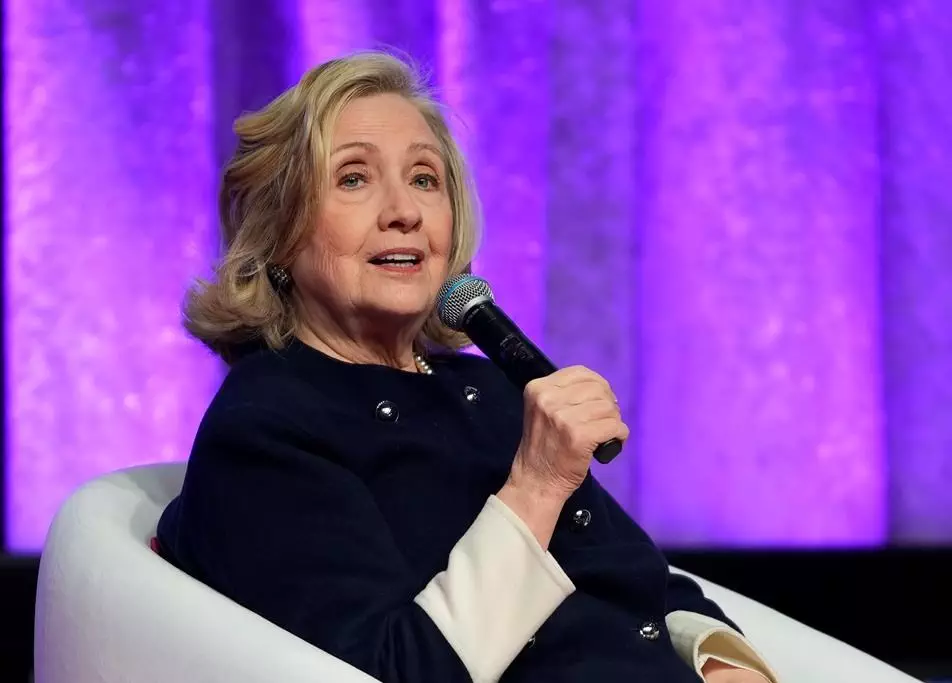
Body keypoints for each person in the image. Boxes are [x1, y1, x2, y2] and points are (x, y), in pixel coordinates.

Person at [156, 51, 778, 683]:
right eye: (353, 178)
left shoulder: (487, 386)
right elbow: (396, 669)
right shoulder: (265, 428)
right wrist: (535, 486)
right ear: (279, 233)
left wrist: (723, 662)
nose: (405, 211)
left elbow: (638, 580)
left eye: (425, 179)